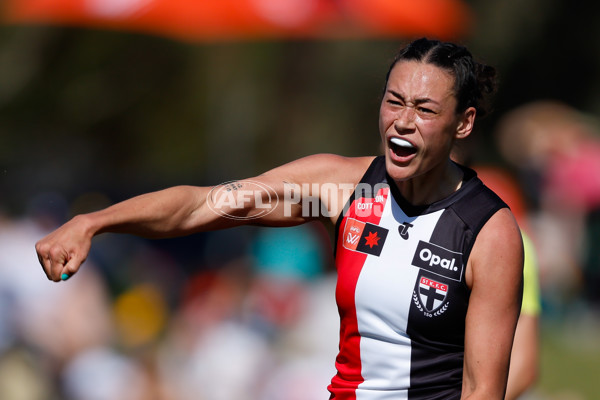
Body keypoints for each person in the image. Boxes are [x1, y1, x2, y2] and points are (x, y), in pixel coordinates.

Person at [35, 38, 524, 399]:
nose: (402, 120)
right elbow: (206, 204)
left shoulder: (487, 230)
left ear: (463, 122)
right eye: (394, 101)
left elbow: (483, 390)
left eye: (424, 109)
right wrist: (94, 222)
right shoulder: (342, 191)